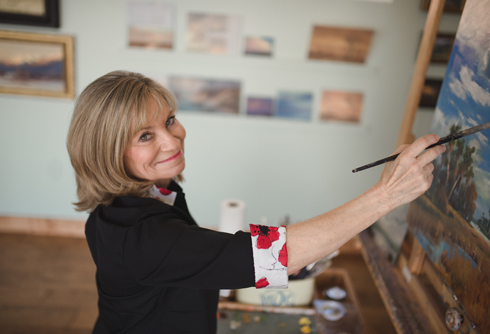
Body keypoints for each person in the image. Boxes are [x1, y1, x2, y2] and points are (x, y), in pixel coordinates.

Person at [67, 70, 445, 334]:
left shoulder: (135, 199)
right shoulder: (140, 237)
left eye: (169, 121)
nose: (173, 139)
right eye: (145, 136)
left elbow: (188, 253)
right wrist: (387, 195)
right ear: (109, 151)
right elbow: (272, 255)